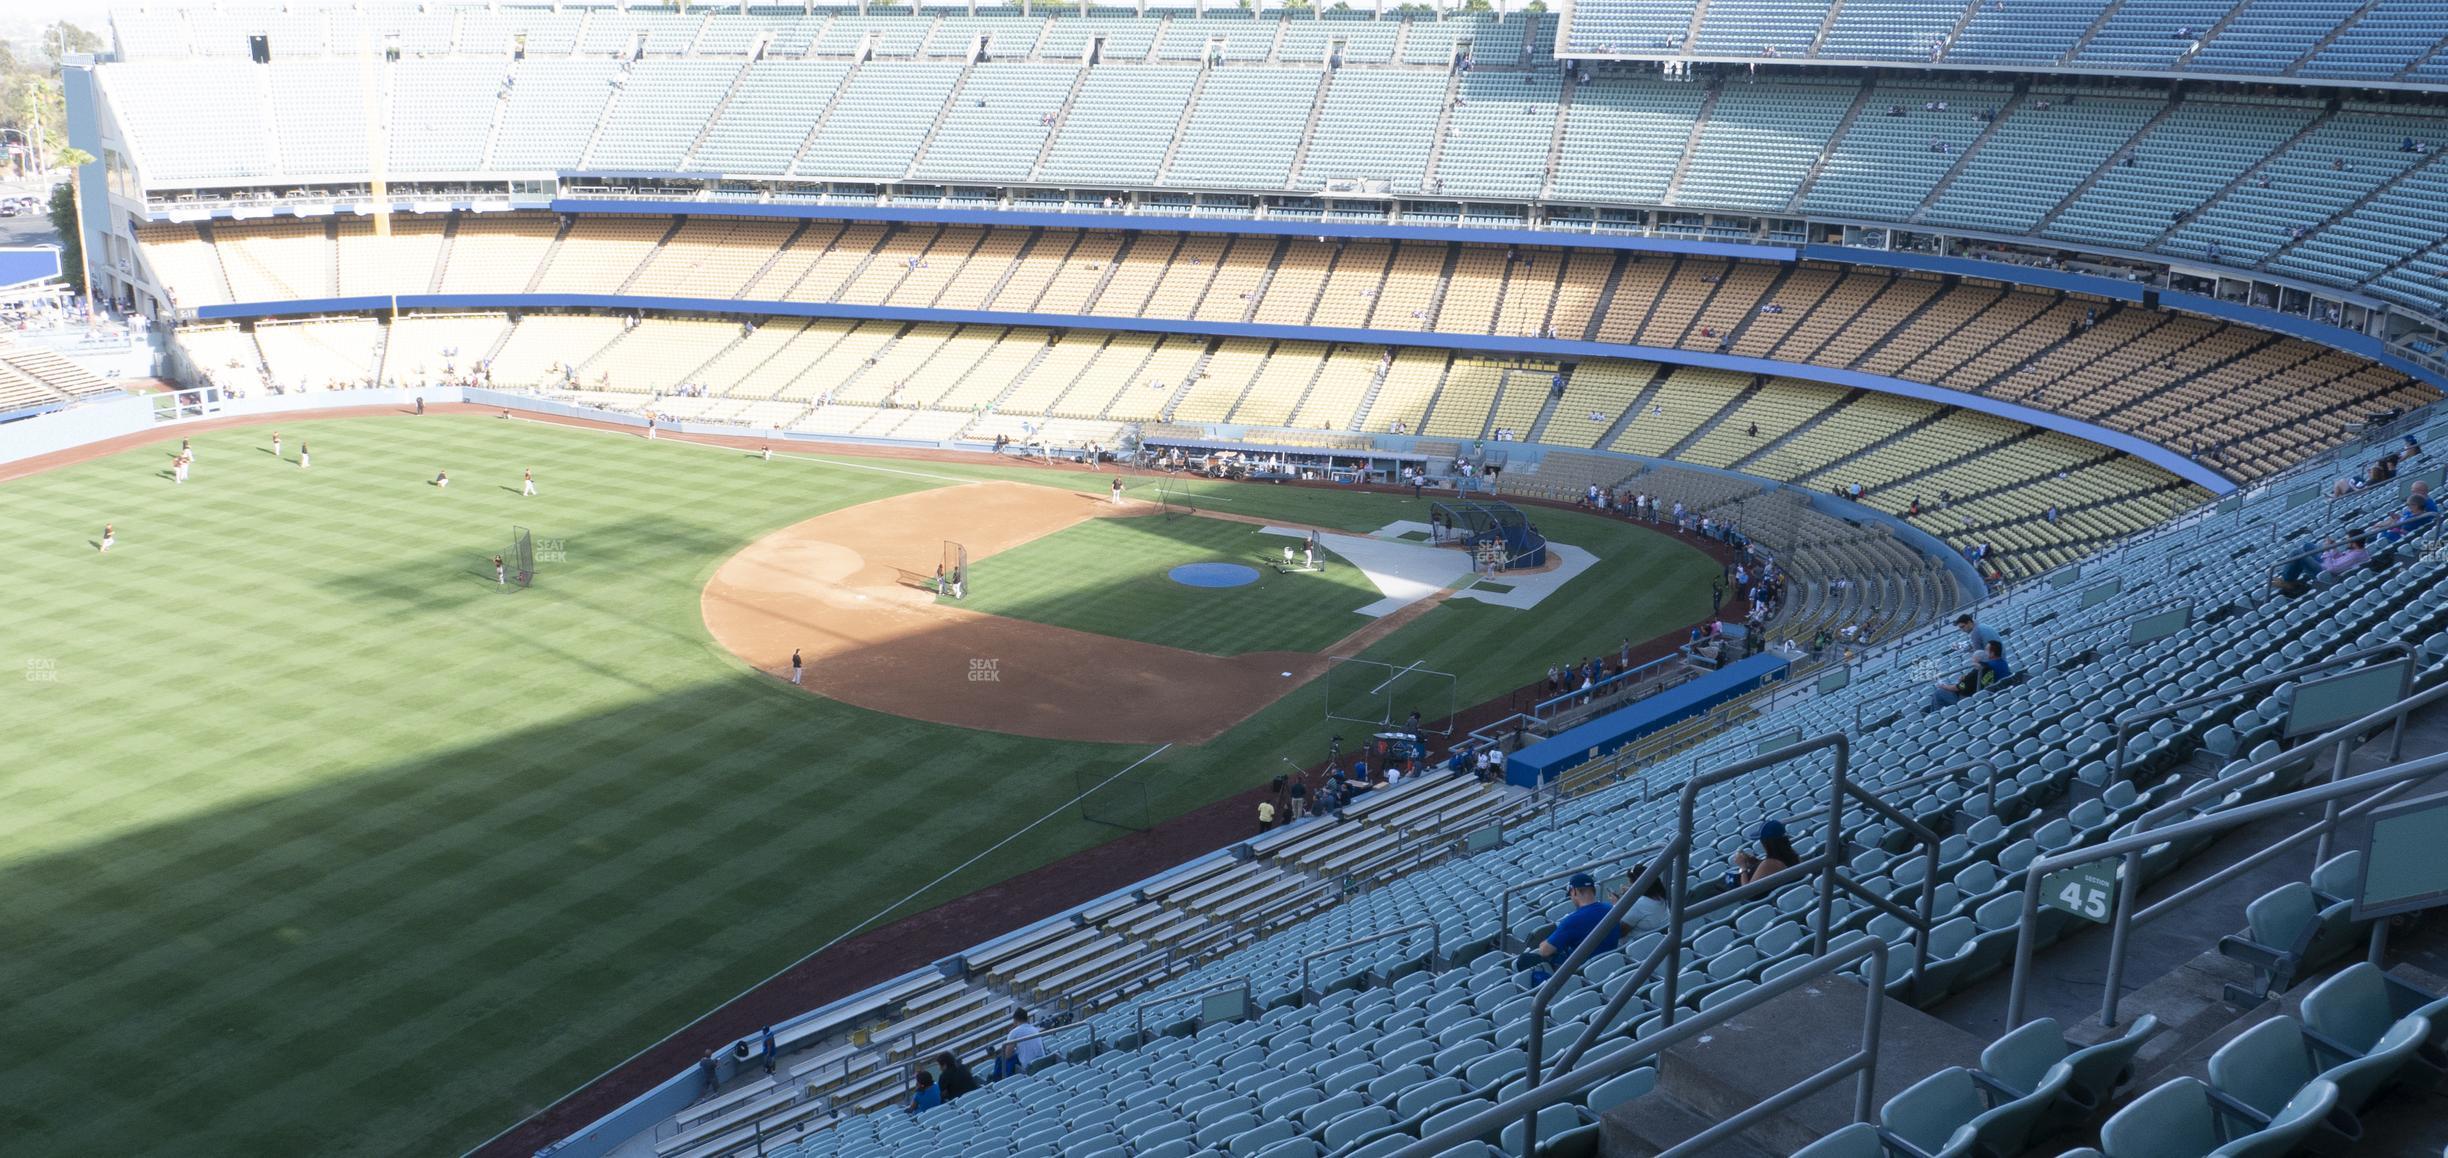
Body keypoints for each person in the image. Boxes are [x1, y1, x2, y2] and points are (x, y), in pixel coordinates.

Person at [1515, 872, 1620, 982]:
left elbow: (1545, 951)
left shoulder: (1572, 920)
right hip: (1611, 962)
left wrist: (1543, 943)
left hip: (1581, 972)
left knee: (1524, 959)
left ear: (1574, 891)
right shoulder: (1611, 909)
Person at [1731, 820, 1799, 886]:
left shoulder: (1770, 863)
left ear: (1766, 843)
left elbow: (1747, 891)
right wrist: (1755, 861)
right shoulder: (1793, 856)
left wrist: (1742, 867)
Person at [1612, 865, 1670, 936]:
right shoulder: (1660, 895)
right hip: (1656, 941)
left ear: (1637, 884)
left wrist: (1616, 905)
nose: (1629, 885)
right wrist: (1631, 894)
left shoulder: (1638, 904)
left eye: (1630, 883)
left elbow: (1619, 932)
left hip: (1633, 945)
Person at [995, 1008, 1045, 1080]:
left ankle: (1000, 1081)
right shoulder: (1034, 1029)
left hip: (1029, 1066)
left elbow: (1007, 1055)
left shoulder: (1014, 1032)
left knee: (1000, 1058)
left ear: (1015, 1020)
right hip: (1042, 1061)